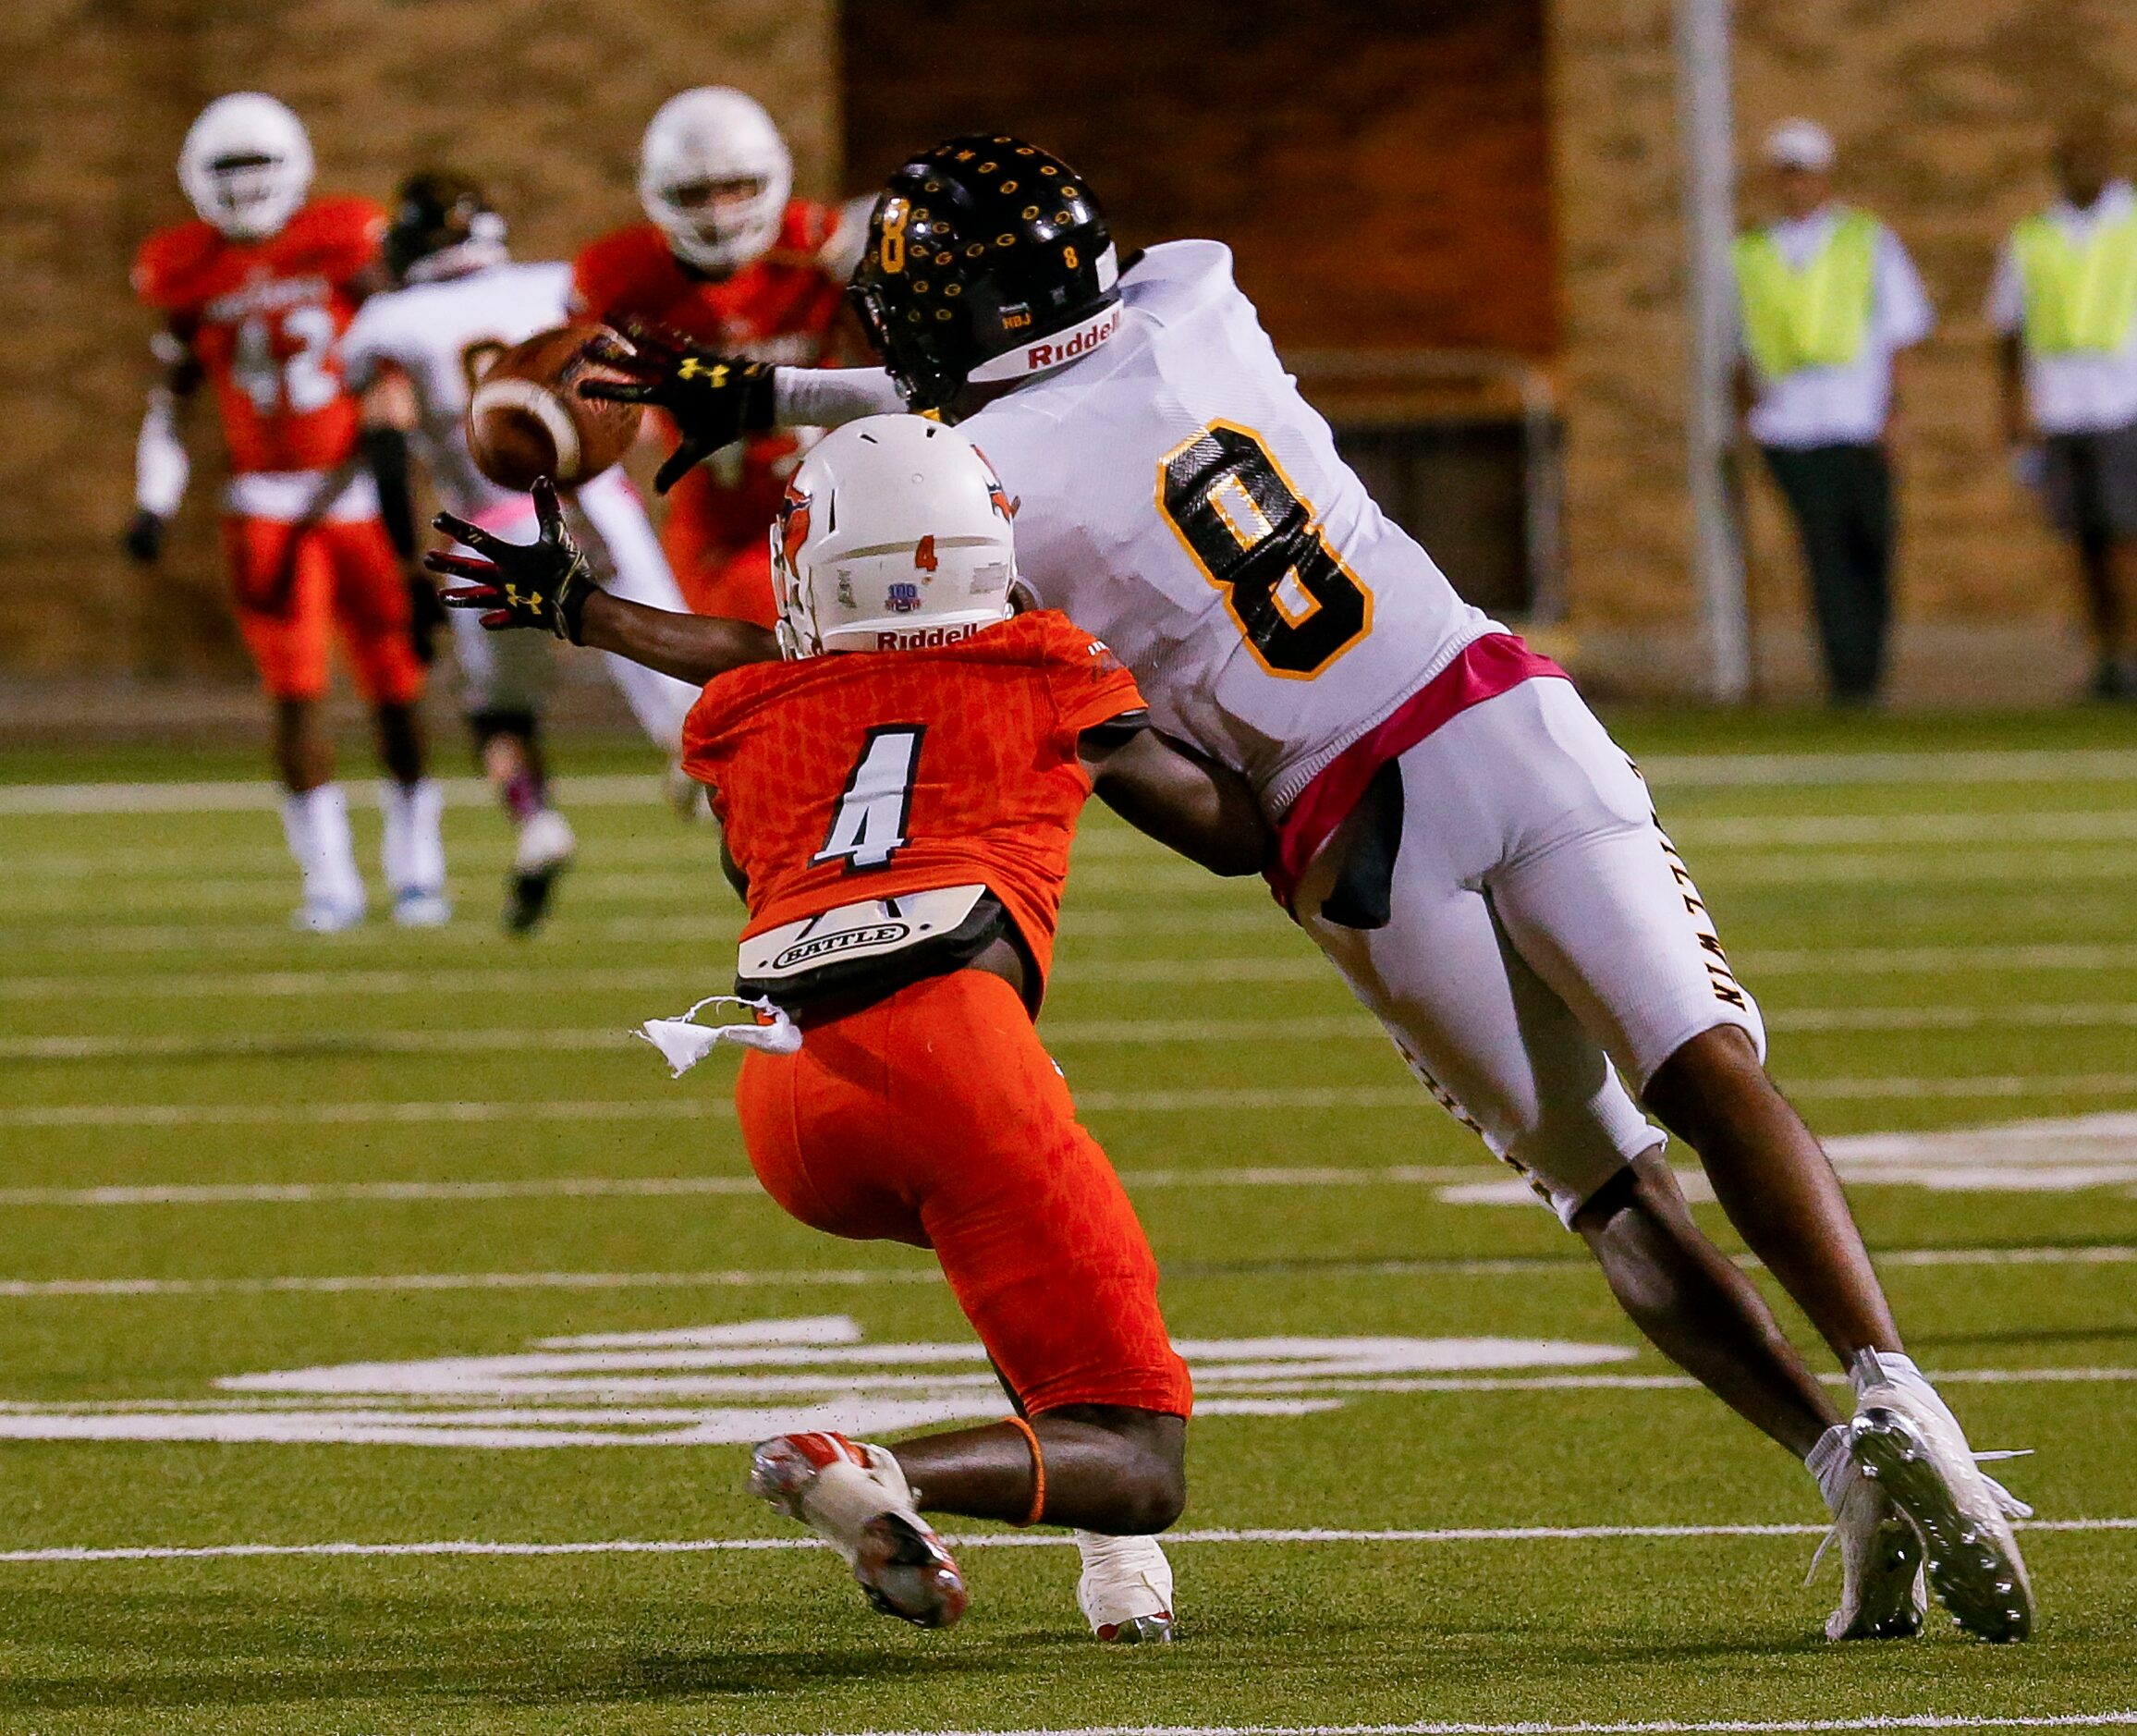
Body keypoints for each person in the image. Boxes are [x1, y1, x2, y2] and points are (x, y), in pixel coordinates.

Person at [576, 135, 2037, 1644]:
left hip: (1338, 833)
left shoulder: (989, 485)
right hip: (1490, 709)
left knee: (1605, 1188)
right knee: (1702, 1060)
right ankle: (1893, 1386)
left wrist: (711, 465)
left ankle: (1828, 1459)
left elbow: (918, 499)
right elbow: (1042, 366)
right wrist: (774, 390)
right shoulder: (1196, 298)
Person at [428, 417, 1276, 1639]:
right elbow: (1228, 834)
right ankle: (874, 1469)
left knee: (1026, 1292)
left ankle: (1117, 1573)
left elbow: (761, 825)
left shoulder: (745, 711)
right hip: (957, 1061)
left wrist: (594, 615)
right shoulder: (1044, 661)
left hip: (786, 1093)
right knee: (1139, 1449)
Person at [341, 170, 701, 932]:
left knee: (500, 711)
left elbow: (384, 439)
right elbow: (630, 401)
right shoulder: (554, 289)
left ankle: (537, 821)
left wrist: (408, 562)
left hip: (492, 526)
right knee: (682, 684)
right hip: (597, 505)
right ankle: (720, 784)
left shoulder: (391, 322)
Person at [128, 92, 448, 932]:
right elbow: (170, 402)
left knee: (395, 689)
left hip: (355, 499)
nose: (243, 185)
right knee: (296, 696)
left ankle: (418, 866)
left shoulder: (344, 242)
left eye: (256, 164)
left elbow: (396, 355)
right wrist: (153, 502)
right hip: (264, 505)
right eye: (226, 169)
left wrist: (393, 464)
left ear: (294, 165)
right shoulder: (187, 269)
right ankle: (332, 881)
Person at [569, 88, 868, 626]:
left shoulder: (820, 247)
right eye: (696, 193)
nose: (719, 213)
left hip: (842, 507)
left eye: (737, 188)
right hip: (718, 528)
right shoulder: (622, 278)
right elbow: (583, 412)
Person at [1732, 119, 1934, 704]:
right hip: (1789, 424)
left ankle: (1868, 662)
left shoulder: (1867, 240)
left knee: (1873, 540)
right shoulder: (1751, 252)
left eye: (1805, 172)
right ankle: (1848, 677)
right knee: (1823, 549)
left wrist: (1895, 414)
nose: (1795, 185)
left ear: (1824, 177)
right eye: (1786, 173)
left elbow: (1900, 334)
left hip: (1858, 421)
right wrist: (1743, 420)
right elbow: (1737, 345)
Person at [1992, 111, 2137, 701]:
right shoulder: (2032, 237)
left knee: (2126, 538)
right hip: (2060, 409)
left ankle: (2130, 656)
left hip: (2124, 404)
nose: (2082, 171)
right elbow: (2007, 330)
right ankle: (2106, 660)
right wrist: (2012, 408)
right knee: (2082, 543)